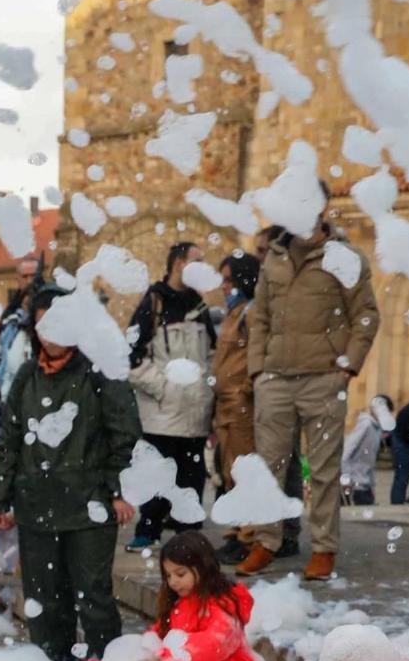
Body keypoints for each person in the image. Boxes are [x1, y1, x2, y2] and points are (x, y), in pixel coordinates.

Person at [0, 286, 141, 661]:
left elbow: (125, 432)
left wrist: (118, 489)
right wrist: (1, 495)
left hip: (89, 504)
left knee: (93, 594)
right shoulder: (26, 376)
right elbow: (9, 438)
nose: (48, 333)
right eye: (41, 325)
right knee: (43, 596)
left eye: (55, 324)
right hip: (35, 502)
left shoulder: (99, 371)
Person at [239, 190, 380, 584]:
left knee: (322, 470)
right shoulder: (275, 256)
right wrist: (257, 371)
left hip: (323, 378)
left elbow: (366, 314)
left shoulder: (343, 256)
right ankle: (266, 540)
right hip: (275, 379)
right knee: (268, 468)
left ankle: (323, 548)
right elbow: (260, 316)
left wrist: (347, 368)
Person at [126, 241, 217, 548]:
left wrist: (206, 390)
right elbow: (132, 357)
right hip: (162, 413)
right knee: (156, 471)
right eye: (197, 261)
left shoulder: (199, 306)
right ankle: (148, 529)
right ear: (179, 263)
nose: (203, 267)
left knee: (192, 475)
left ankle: (188, 537)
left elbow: (212, 353)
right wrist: (166, 388)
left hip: (195, 412)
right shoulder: (155, 303)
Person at [150, 529, 259, 661]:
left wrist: (166, 660)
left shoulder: (221, 603)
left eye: (180, 574)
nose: (173, 582)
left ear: (203, 567)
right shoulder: (183, 601)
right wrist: (148, 646)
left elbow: (215, 644)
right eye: (168, 575)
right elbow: (162, 630)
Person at [211, 251, 260, 500]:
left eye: (229, 279)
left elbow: (258, 354)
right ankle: (236, 529)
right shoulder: (232, 314)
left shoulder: (250, 313)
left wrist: (244, 391)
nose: (224, 285)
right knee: (228, 469)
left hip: (240, 404)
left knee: (244, 470)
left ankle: (248, 532)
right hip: (225, 405)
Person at [339, 394, 393, 506]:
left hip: (365, 483)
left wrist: (372, 486)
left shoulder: (377, 428)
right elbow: (346, 451)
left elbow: (371, 461)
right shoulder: (366, 424)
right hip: (354, 483)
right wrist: (346, 479)